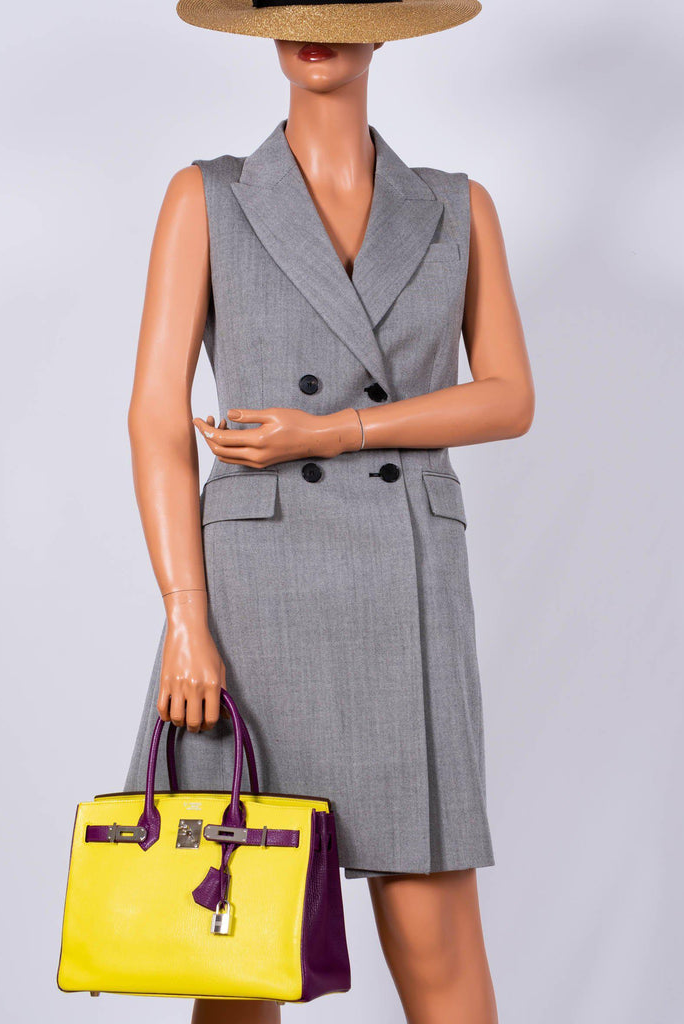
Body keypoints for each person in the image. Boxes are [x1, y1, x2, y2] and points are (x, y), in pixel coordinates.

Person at [123, 2, 534, 1020]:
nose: (317, 26)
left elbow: (509, 398)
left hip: (406, 583)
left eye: (345, 7)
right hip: (252, 600)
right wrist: (184, 620)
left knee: (438, 942)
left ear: (384, 28)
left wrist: (335, 432)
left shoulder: (455, 207)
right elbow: (155, 417)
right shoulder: (209, 196)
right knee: (238, 939)